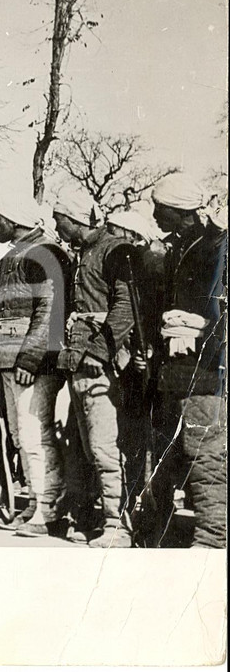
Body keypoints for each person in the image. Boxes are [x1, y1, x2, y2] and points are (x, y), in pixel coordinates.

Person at [146, 173, 227, 549]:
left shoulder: (216, 248)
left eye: (159, 208)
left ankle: (212, 537)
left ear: (179, 211)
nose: (154, 214)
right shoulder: (180, 248)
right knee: (168, 454)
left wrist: (201, 327)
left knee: (204, 454)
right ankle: (154, 532)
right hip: (175, 373)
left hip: (206, 373)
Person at [52, 192, 135, 547]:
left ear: (73, 219)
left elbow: (126, 305)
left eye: (60, 221)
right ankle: (89, 518)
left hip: (101, 364)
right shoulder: (83, 253)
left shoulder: (115, 250)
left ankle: (119, 525)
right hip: (80, 361)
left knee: (104, 446)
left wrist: (100, 351)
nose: (57, 228)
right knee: (83, 448)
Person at [0, 198, 70, 537]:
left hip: (32, 363)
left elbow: (48, 309)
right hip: (10, 358)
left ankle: (49, 507)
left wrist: (31, 358)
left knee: (36, 434)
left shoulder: (44, 252)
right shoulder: (13, 255)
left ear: (13, 218)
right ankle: (37, 500)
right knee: (22, 436)